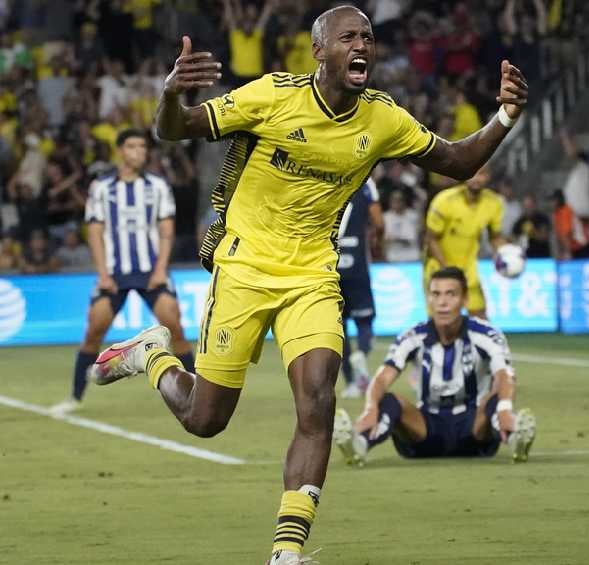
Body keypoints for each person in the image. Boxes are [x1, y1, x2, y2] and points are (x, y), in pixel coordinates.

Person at [85, 7, 529, 564]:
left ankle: (287, 551)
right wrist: (171, 95)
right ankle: (152, 354)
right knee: (205, 419)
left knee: (317, 403)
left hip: (313, 276)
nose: (361, 44)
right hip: (244, 270)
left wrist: (505, 118)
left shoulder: (383, 119)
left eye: (367, 36)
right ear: (320, 51)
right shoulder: (271, 96)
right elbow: (175, 129)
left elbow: (458, 161)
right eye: (348, 37)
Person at [50, 129, 193, 416]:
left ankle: (197, 390)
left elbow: (166, 231)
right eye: (132, 146)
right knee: (94, 330)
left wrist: (161, 270)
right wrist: (103, 274)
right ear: (120, 151)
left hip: (152, 271)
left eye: (142, 147)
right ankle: (75, 397)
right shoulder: (101, 188)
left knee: (174, 326)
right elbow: (95, 231)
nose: (139, 151)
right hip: (114, 273)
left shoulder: (157, 186)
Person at [332, 266, 536, 466]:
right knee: (388, 401)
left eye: (451, 294)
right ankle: (359, 443)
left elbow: (505, 375)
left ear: (465, 300)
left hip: (475, 430)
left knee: (496, 398)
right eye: (436, 294)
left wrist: (505, 407)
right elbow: (383, 377)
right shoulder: (412, 336)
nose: (442, 303)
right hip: (426, 430)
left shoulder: (486, 334)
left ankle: (514, 437)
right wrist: (370, 408)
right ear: (428, 299)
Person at [424, 165, 505, 319]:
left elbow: (495, 236)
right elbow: (431, 239)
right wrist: (446, 270)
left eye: (482, 174)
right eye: (473, 174)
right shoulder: (444, 201)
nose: (477, 179)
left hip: (468, 270)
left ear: (487, 177)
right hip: (439, 269)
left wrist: (505, 253)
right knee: (441, 322)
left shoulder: (493, 203)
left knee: (480, 320)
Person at [336, 178, 383, 399]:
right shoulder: (365, 182)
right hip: (357, 264)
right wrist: (377, 242)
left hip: (329, 264)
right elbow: (379, 221)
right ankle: (362, 355)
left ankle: (351, 383)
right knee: (365, 322)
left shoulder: (324, 174)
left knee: (338, 327)